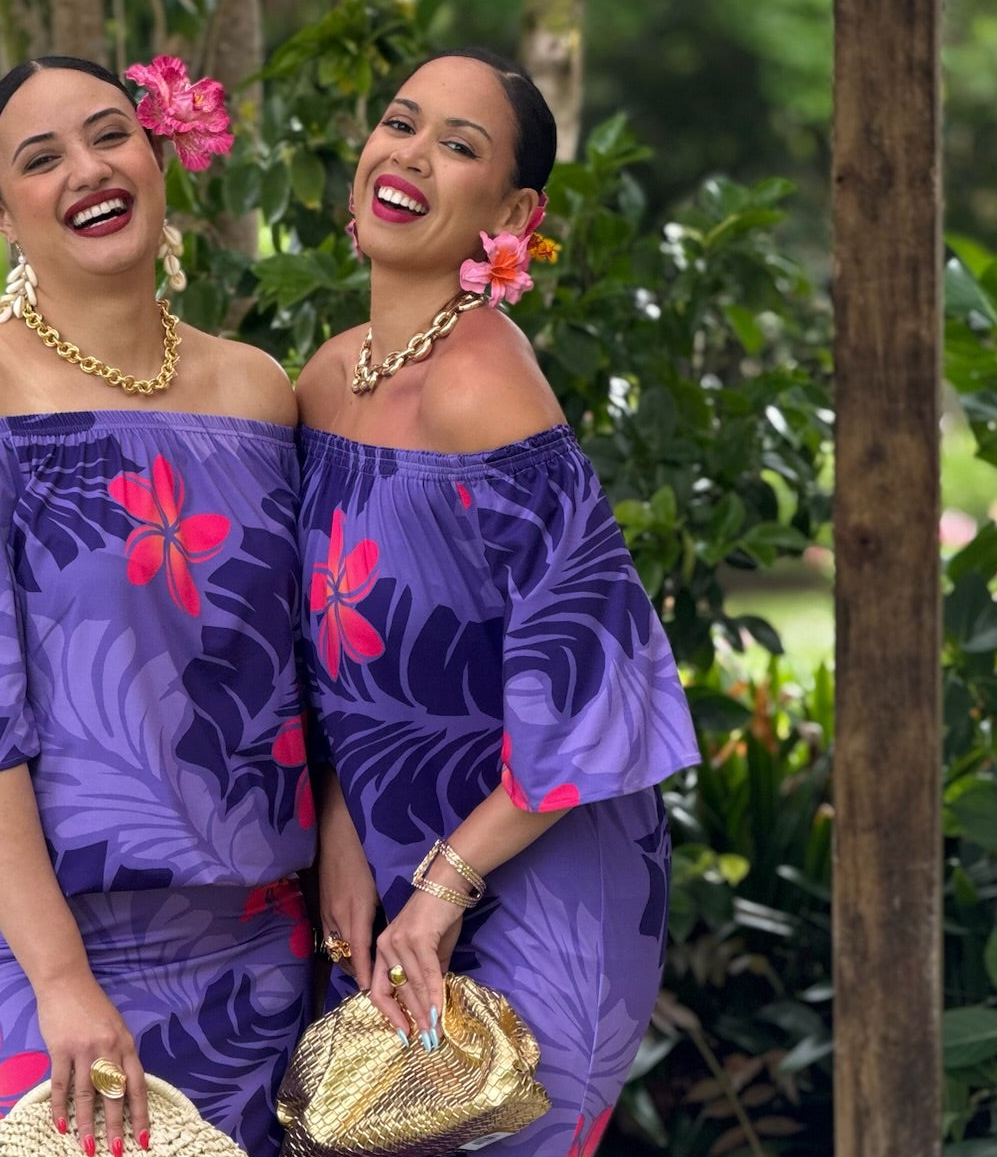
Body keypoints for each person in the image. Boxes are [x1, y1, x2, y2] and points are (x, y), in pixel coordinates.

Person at [0, 55, 315, 1157]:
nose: (86, 169)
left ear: (157, 157)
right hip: (39, 959)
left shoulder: (259, 391)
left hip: (255, 946)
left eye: (110, 134)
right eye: (40, 157)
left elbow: (305, 678)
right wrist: (61, 979)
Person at [295, 48, 700, 1156]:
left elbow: (600, 682)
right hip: (393, 866)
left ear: (514, 212)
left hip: (540, 866)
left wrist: (445, 882)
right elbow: (331, 658)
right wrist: (339, 816)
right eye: (399, 122)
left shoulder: (483, 385)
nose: (411, 154)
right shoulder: (327, 380)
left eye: (459, 145)